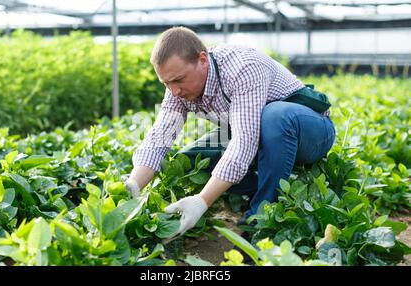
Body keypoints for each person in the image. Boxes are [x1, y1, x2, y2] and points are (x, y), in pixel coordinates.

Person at [124, 26, 335, 238]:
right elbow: (159, 137)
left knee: (274, 116)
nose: (174, 90)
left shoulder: (243, 67)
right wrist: (133, 185)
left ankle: (261, 221)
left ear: (203, 60)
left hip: (311, 133)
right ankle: (274, 186)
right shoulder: (177, 89)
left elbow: (244, 141)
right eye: (166, 83)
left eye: (178, 80)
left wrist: (202, 201)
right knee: (191, 161)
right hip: (262, 137)